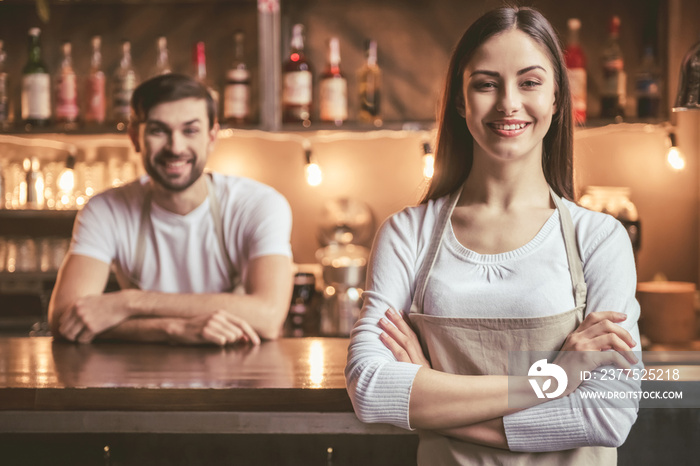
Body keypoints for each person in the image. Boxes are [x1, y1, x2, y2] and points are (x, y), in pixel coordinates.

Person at [345, 6, 642, 465]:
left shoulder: (600, 239)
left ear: (558, 98)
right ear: (461, 102)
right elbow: (369, 388)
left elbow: (607, 415)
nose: (508, 103)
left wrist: (428, 396)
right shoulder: (407, 234)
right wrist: (552, 381)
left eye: (529, 82)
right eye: (486, 83)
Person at [48, 73, 293, 346]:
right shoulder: (105, 209)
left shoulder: (257, 204)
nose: (175, 147)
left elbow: (269, 317)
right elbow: (64, 319)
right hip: (136, 380)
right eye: (158, 130)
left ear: (212, 137)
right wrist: (172, 328)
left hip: (237, 376)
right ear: (135, 137)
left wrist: (129, 303)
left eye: (190, 130)